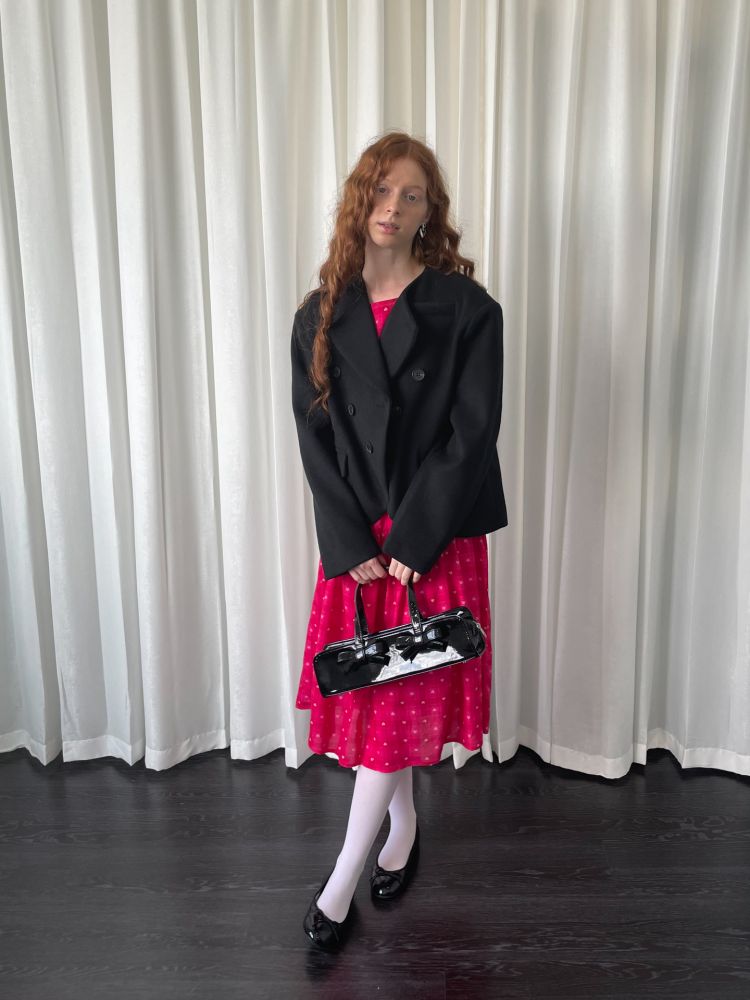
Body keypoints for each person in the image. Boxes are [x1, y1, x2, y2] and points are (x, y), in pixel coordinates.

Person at [290, 130, 508, 950]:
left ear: (429, 212)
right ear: (360, 199)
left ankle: (339, 885)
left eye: (411, 195)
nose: (393, 206)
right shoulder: (319, 312)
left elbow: (472, 432)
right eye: (381, 189)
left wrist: (417, 534)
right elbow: (314, 439)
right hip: (360, 546)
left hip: (430, 538)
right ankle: (404, 830)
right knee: (385, 701)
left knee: (395, 704)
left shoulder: (467, 310)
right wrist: (348, 541)